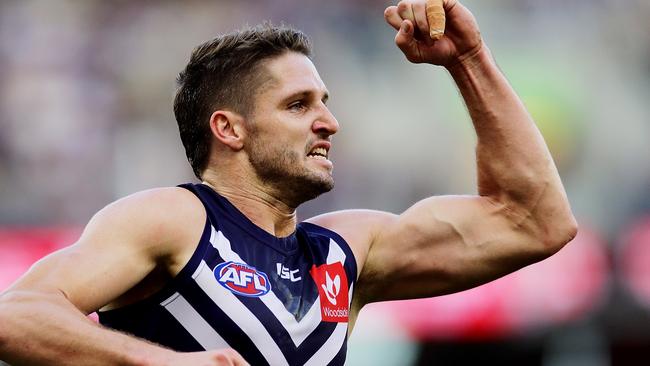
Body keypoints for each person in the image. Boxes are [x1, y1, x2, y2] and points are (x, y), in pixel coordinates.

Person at [0, 0, 577, 365]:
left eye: (324, 102)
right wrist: (159, 364)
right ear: (229, 129)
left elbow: (534, 222)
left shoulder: (345, 252)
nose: (329, 121)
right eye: (298, 105)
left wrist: (469, 60)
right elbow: (15, 315)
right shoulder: (174, 220)